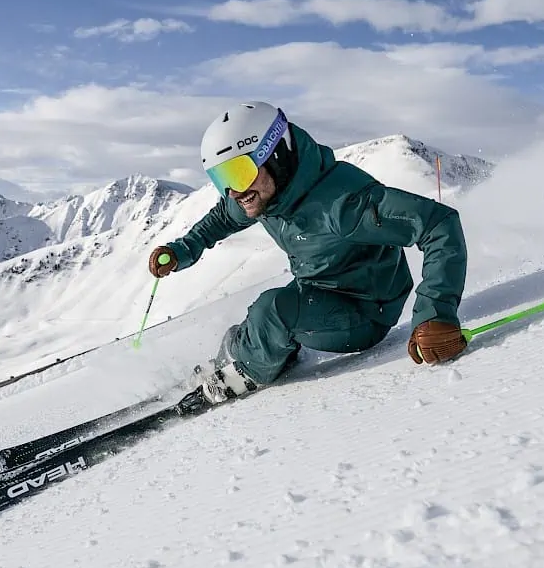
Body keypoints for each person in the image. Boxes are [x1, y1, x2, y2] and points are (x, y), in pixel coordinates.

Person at [148, 102, 468, 404]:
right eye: (222, 179)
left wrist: (435, 315)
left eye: (239, 173)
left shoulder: (342, 204)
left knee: (271, 311)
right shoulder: (264, 193)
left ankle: (245, 373)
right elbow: (222, 217)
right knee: (247, 329)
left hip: (367, 311)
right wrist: (180, 251)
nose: (234, 191)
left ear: (277, 154)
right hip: (318, 290)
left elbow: (438, 224)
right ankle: (231, 361)